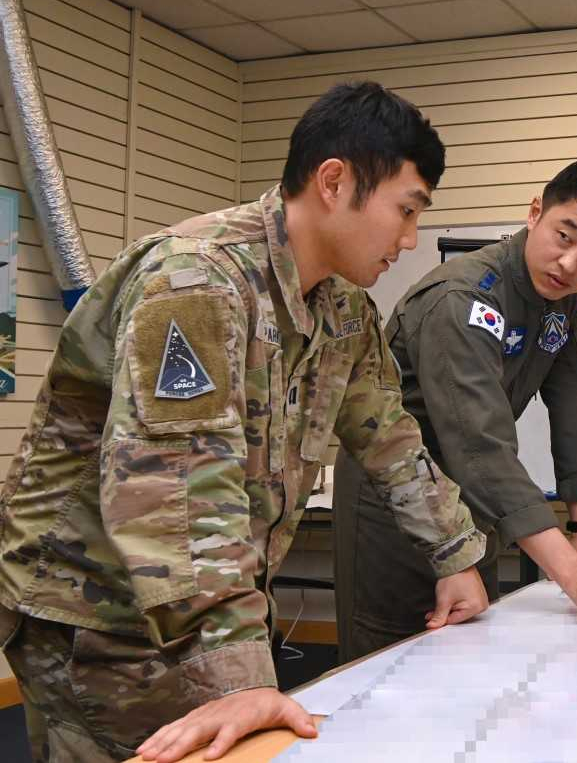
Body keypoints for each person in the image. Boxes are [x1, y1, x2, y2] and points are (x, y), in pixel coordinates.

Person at [0, 81, 493, 763]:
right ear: (333, 180)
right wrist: (242, 673)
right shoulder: (196, 279)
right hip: (95, 612)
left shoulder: (345, 311)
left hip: (187, 609)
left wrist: (457, 555)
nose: (410, 240)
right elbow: (174, 490)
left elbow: (391, 439)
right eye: (405, 211)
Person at [334, 160, 577, 662]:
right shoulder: (462, 298)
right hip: (396, 502)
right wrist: (571, 576)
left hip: (473, 503)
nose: (571, 264)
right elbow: (481, 445)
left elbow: (575, 405)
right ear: (534, 213)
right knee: (392, 662)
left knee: (472, 650)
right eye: (564, 237)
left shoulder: (563, 301)